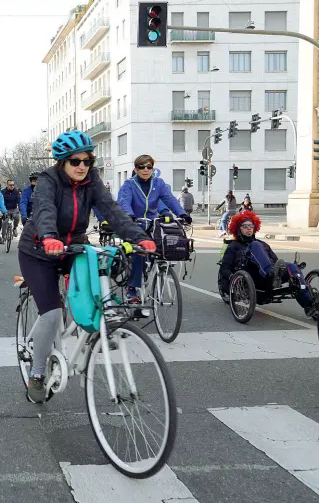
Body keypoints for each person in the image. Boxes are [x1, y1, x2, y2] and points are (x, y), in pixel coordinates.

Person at [18, 130, 156, 403]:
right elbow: (44, 208)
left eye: (87, 161)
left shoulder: (91, 180)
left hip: (74, 247)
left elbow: (111, 210)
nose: (82, 166)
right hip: (39, 251)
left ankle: (99, 330)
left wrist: (140, 237)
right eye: (74, 161)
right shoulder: (48, 180)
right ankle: (36, 374)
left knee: (98, 284)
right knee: (52, 313)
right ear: (61, 163)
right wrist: (48, 237)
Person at [118, 154, 192, 303]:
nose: (145, 170)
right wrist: (129, 215)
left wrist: (182, 214)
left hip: (152, 225)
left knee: (162, 248)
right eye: (141, 167)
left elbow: (169, 199)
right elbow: (124, 201)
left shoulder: (158, 184)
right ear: (136, 169)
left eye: (149, 167)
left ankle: (151, 270)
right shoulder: (129, 184)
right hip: (134, 225)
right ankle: (131, 289)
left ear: (153, 168)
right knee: (138, 253)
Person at [219, 210, 316, 317]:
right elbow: (225, 268)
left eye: (251, 225)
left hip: (270, 279)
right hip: (249, 274)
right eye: (245, 226)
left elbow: (276, 262)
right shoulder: (234, 246)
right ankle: (270, 273)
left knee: (292, 268)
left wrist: (284, 271)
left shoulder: (262, 244)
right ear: (238, 228)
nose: (248, 228)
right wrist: (232, 278)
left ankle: (310, 304)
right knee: (254, 245)